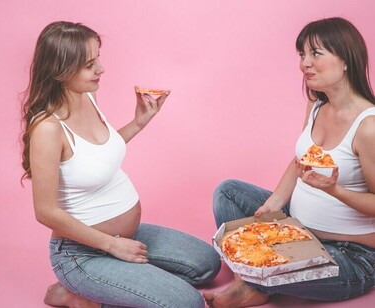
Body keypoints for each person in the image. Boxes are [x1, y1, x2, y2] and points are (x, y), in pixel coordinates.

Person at [21, 21, 221, 308]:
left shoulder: (87, 96)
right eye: (90, 64)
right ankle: (82, 298)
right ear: (61, 71)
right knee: (188, 304)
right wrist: (113, 245)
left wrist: (139, 122)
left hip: (127, 235)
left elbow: (96, 157)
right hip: (82, 253)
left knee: (207, 265)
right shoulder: (48, 129)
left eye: (98, 58)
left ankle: (119, 282)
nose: (101, 69)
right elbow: (45, 212)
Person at [203, 17, 375, 307]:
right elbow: (300, 162)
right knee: (228, 191)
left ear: (346, 60)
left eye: (315, 54)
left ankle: (254, 283)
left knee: (262, 265)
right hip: (295, 229)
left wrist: (334, 190)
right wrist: (273, 203)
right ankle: (255, 281)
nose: (304, 63)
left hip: (348, 254)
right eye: (302, 54)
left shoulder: (368, 127)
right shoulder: (317, 104)